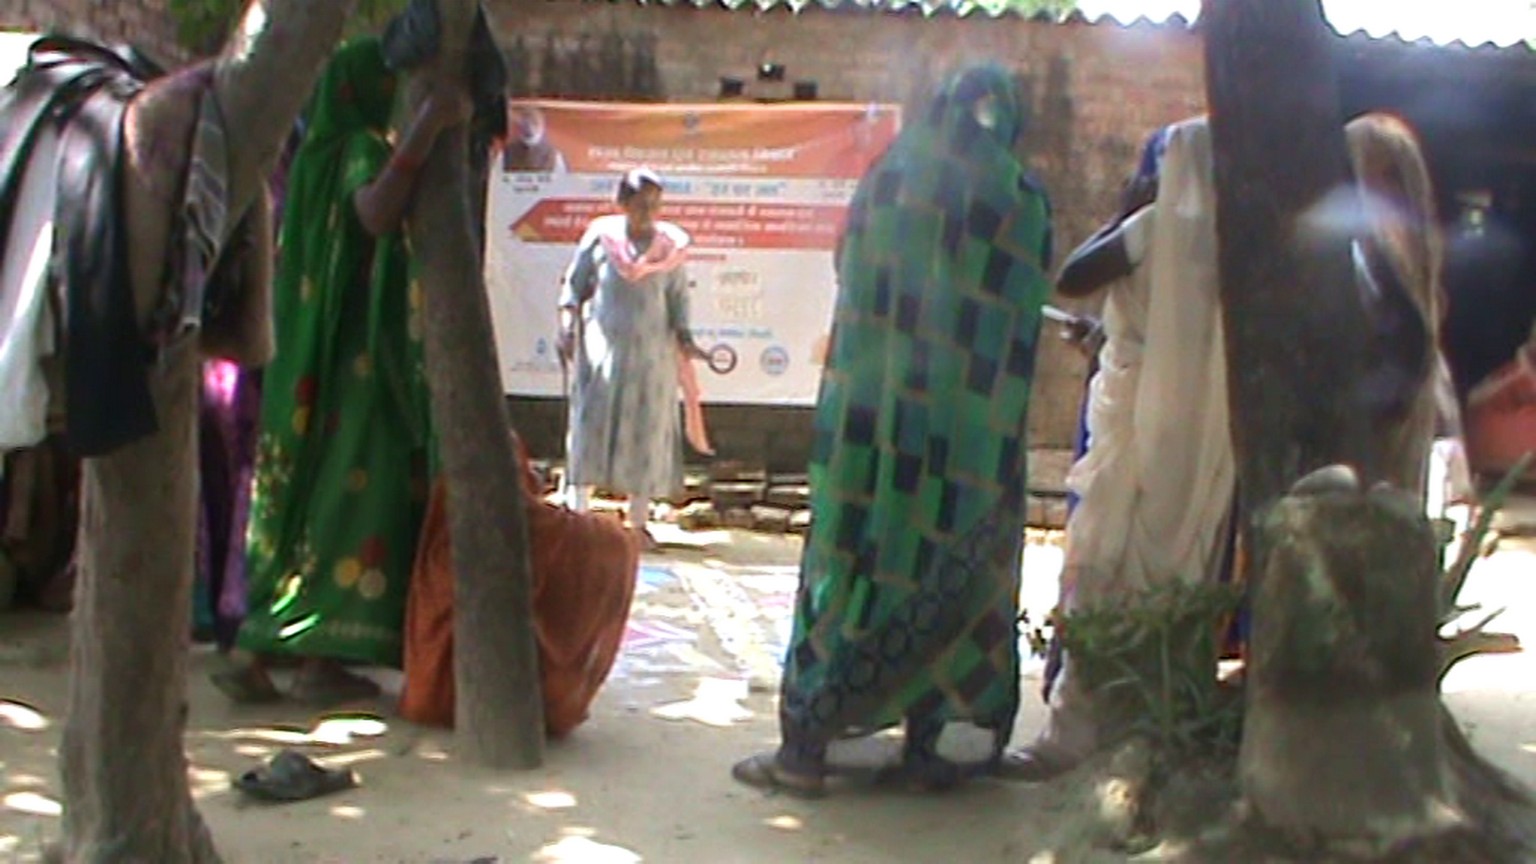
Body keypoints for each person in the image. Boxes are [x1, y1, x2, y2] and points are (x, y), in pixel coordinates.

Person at [730, 64, 1054, 797]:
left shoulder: (892, 177)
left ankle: (807, 749)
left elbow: (850, 265)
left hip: (875, 427)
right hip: (971, 435)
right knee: (959, 570)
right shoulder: (1021, 197)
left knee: (858, 560)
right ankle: (938, 747)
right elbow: (1024, 301)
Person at [214, 37, 468, 705]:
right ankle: (317, 655)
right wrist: (427, 128)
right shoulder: (357, 147)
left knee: (302, 493)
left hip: (308, 360)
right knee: (352, 497)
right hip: (357, 362)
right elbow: (375, 213)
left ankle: (261, 644)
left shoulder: (312, 156)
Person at [1001, 117, 1237, 782]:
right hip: (1201, 434)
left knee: (1108, 561)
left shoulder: (1152, 227)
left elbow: (1073, 276)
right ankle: (1159, 725)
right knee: (1181, 565)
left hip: (1136, 421)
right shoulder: (1237, 242)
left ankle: (1074, 732)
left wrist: (1132, 212)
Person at [399, 436, 640, 737]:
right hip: (465, 692)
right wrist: (614, 530)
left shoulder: (440, 541)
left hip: (438, 692)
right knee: (609, 546)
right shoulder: (520, 530)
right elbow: (524, 521)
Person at [558, 167, 712, 544]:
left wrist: (686, 339)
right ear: (621, 203)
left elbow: (677, 300)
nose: (649, 212)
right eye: (641, 204)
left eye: (655, 205)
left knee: (645, 432)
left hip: (651, 358)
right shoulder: (601, 237)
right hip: (603, 354)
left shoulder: (670, 247)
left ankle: (637, 523)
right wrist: (566, 326)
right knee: (591, 429)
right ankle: (578, 518)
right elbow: (574, 288)